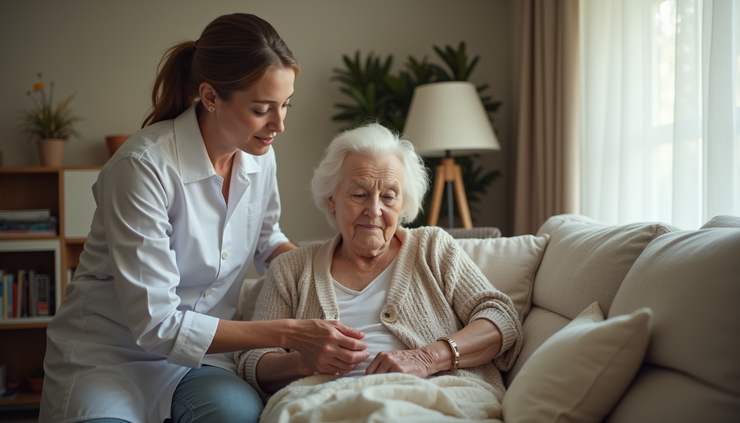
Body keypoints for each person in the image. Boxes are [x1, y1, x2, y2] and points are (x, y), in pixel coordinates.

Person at [40, 13, 368, 423]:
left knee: (237, 414)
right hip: (110, 355)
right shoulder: (142, 168)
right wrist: (291, 333)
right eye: (262, 109)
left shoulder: (258, 157)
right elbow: (156, 323)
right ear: (211, 96)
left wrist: (342, 269)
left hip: (199, 360)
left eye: (285, 105)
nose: (279, 125)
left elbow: (268, 244)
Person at [234, 123, 523, 415]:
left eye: (388, 196)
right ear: (332, 200)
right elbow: (253, 360)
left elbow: (501, 317)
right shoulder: (290, 269)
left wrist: (427, 358)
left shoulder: (432, 247)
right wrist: (302, 362)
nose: (374, 210)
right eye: (359, 195)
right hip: (323, 403)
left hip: (433, 397)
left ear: (403, 203)